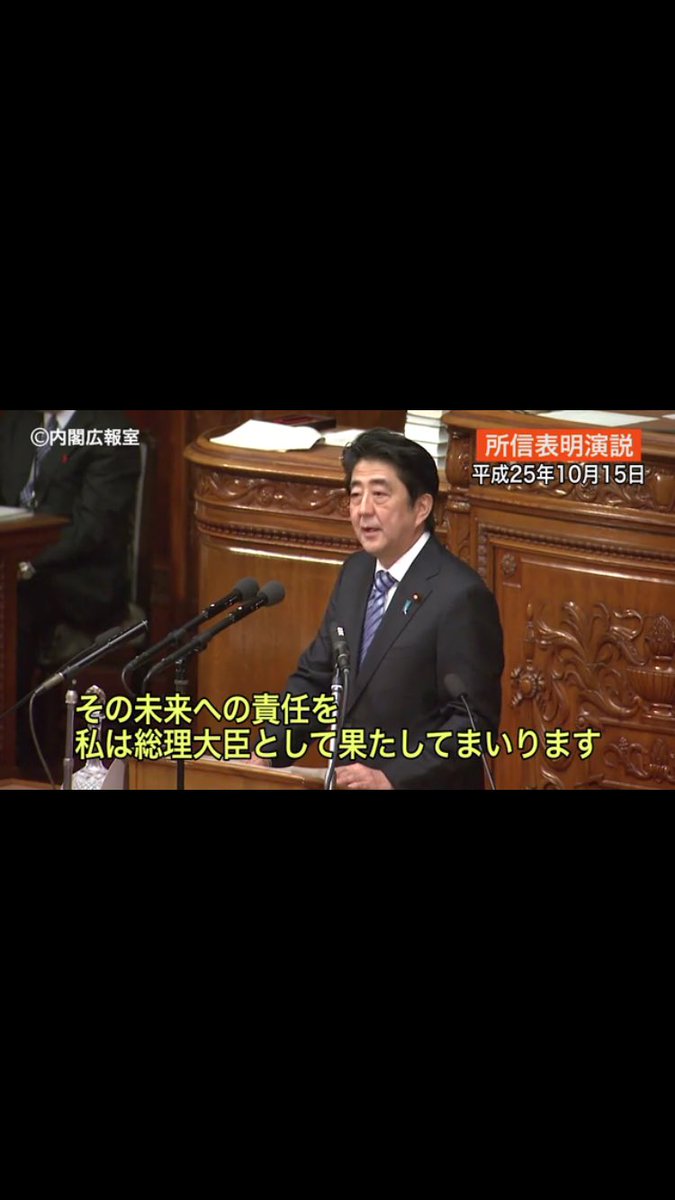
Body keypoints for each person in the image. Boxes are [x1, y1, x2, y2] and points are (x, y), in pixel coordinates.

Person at [250, 427, 504, 790]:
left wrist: (391, 778)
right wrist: (267, 753)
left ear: (421, 507)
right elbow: (315, 679)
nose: (363, 510)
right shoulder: (356, 572)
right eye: (356, 495)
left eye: (380, 495)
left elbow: (471, 723)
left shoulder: (460, 596)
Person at [0, 410, 141, 764]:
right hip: (17, 567)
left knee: (12, 607)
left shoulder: (110, 432)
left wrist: (26, 562)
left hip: (79, 580)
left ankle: (12, 749)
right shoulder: (17, 422)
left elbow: (92, 530)